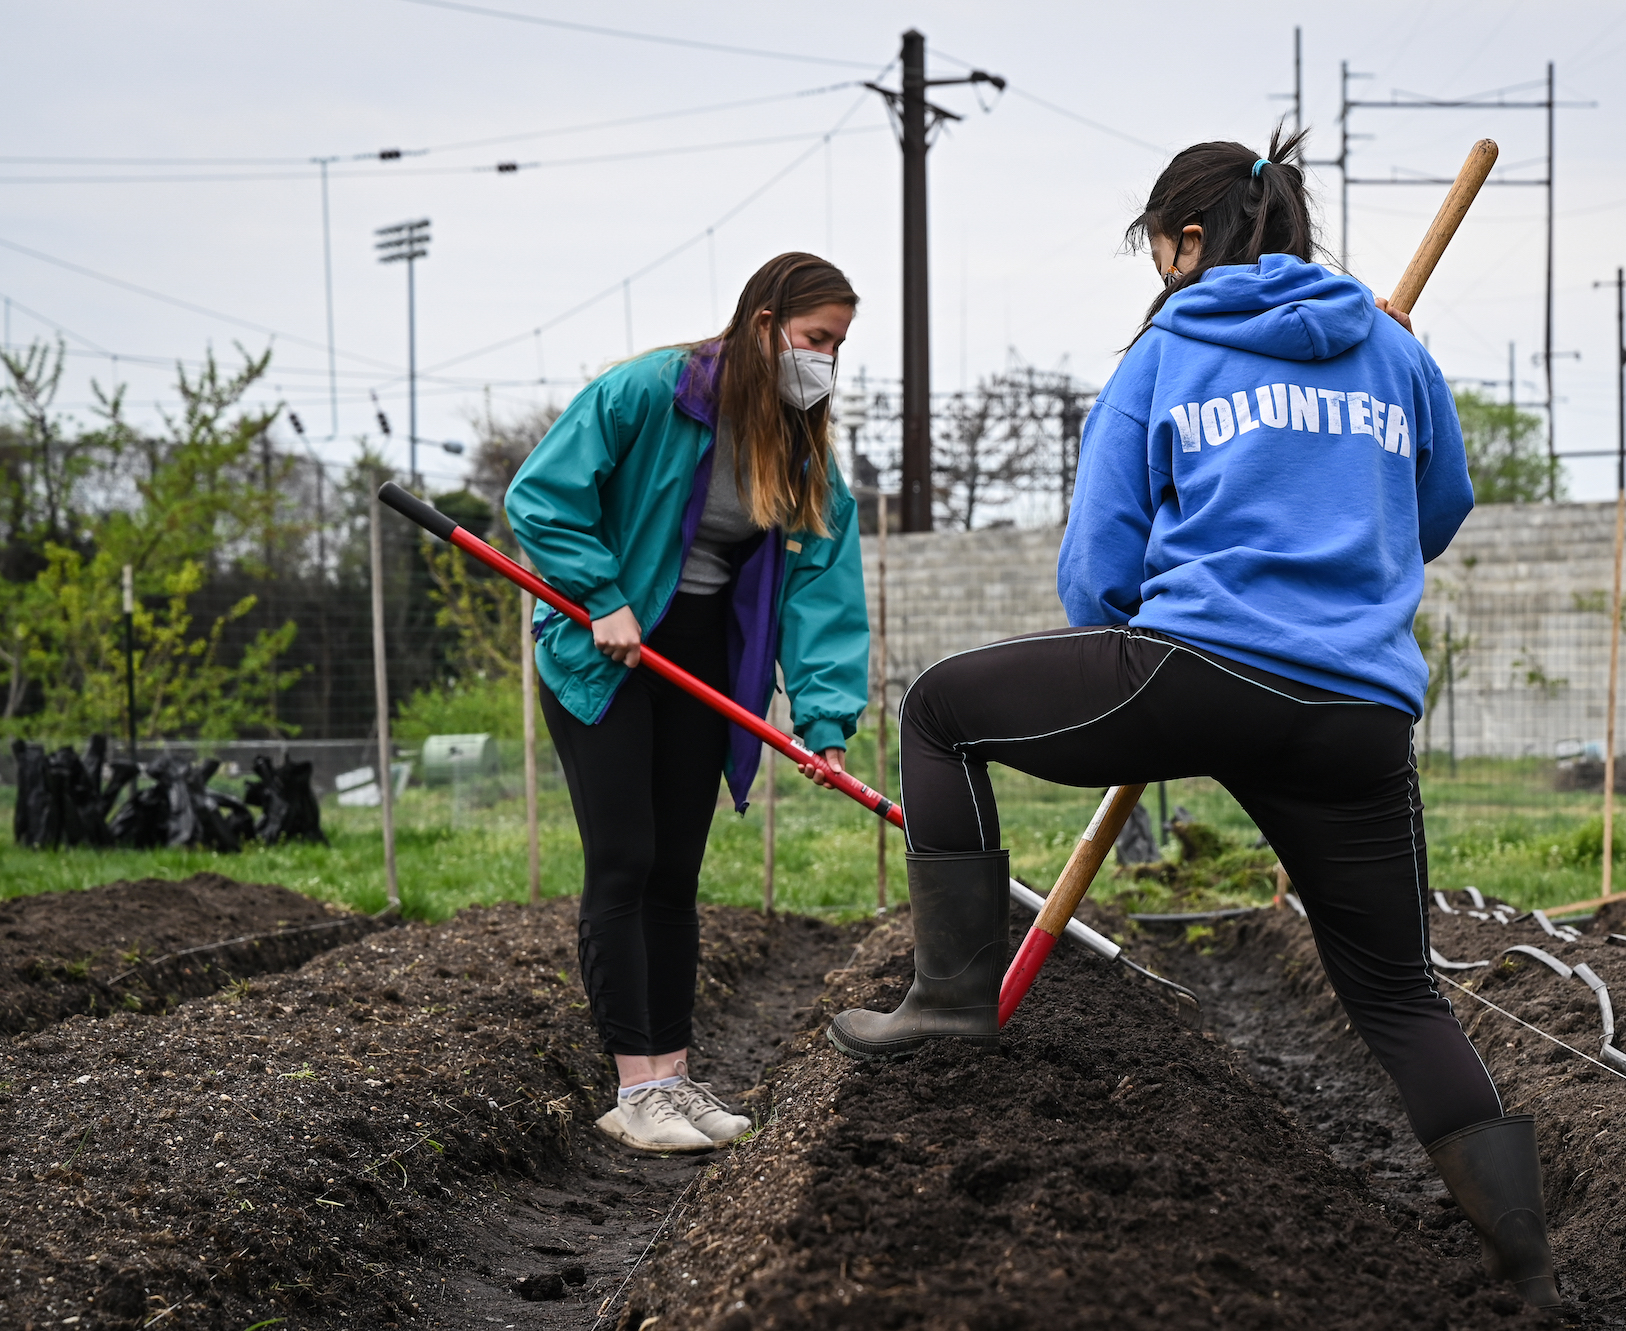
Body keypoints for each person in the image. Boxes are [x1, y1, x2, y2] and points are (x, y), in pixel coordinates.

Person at [826, 135, 1562, 1308]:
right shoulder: (1389, 345)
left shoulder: (1166, 350)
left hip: (1195, 671)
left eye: (1157, 247)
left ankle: (952, 994)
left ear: (1183, 242)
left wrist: (1148, 638)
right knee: (1395, 993)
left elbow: (1095, 578)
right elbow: (1437, 510)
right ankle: (1526, 1265)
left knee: (940, 709)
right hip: (1356, 711)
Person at [510, 252, 870, 1155]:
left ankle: (670, 1077)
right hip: (609, 650)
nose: (825, 361)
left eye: (838, 346)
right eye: (815, 339)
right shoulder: (650, 391)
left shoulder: (799, 448)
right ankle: (634, 1088)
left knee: (676, 871)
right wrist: (601, 595)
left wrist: (823, 722)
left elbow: (821, 592)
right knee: (626, 857)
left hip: (703, 659)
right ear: (763, 324)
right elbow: (542, 495)